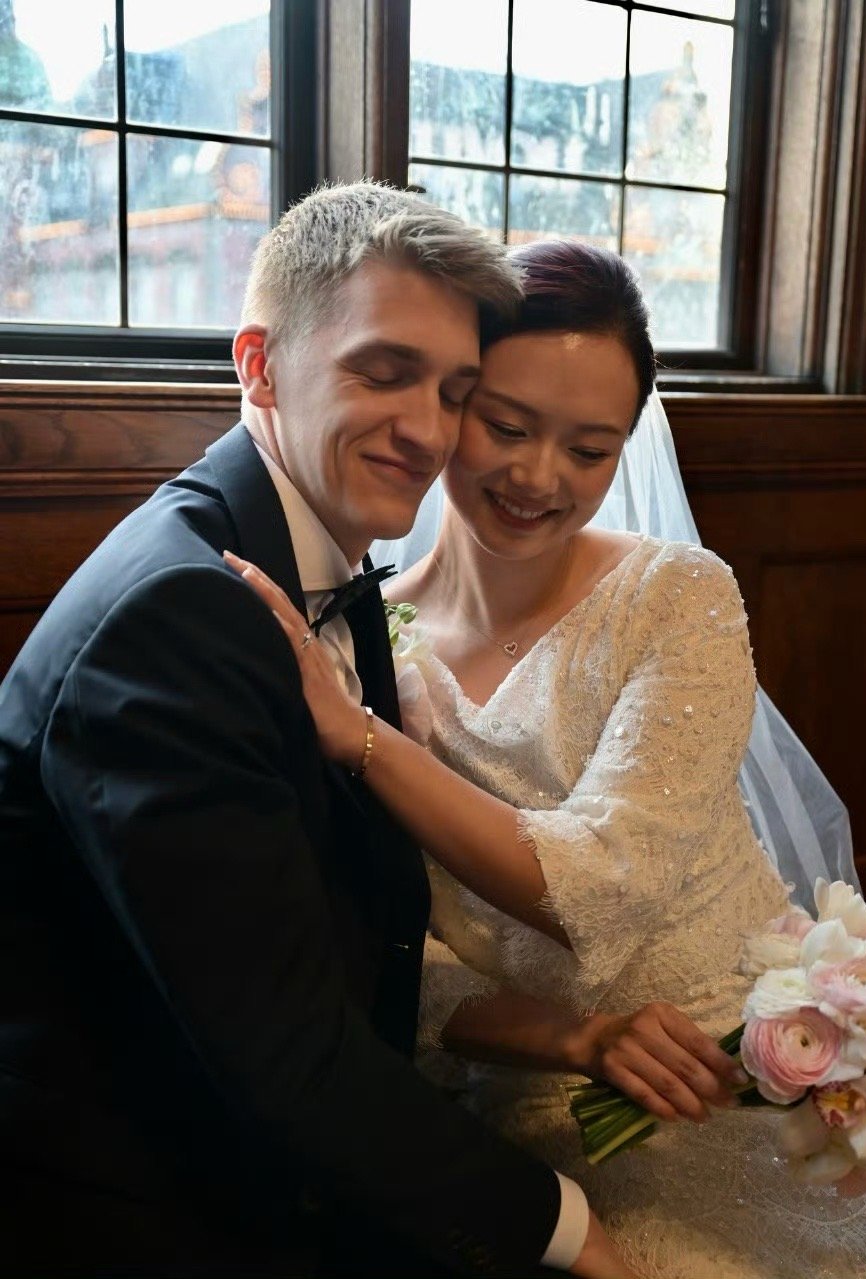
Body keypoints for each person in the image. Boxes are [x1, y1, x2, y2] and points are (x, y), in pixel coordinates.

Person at [0, 183, 745, 1278]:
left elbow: (372, 927)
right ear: (259, 365)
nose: (427, 429)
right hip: (157, 1193)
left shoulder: (323, 579)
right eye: (383, 372)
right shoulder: (186, 611)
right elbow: (288, 1047)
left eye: (452, 392)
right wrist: (567, 1229)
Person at [243, 240, 866, 1278]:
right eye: (506, 426)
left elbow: (608, 886)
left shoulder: (679, 597)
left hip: (753, 1087)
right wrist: (571, 1040)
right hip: (544, 1117)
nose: (540, 477)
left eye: (589, 449)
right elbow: (394, 958)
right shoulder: (365, 639)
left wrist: (361, 739)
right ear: (452, 401)